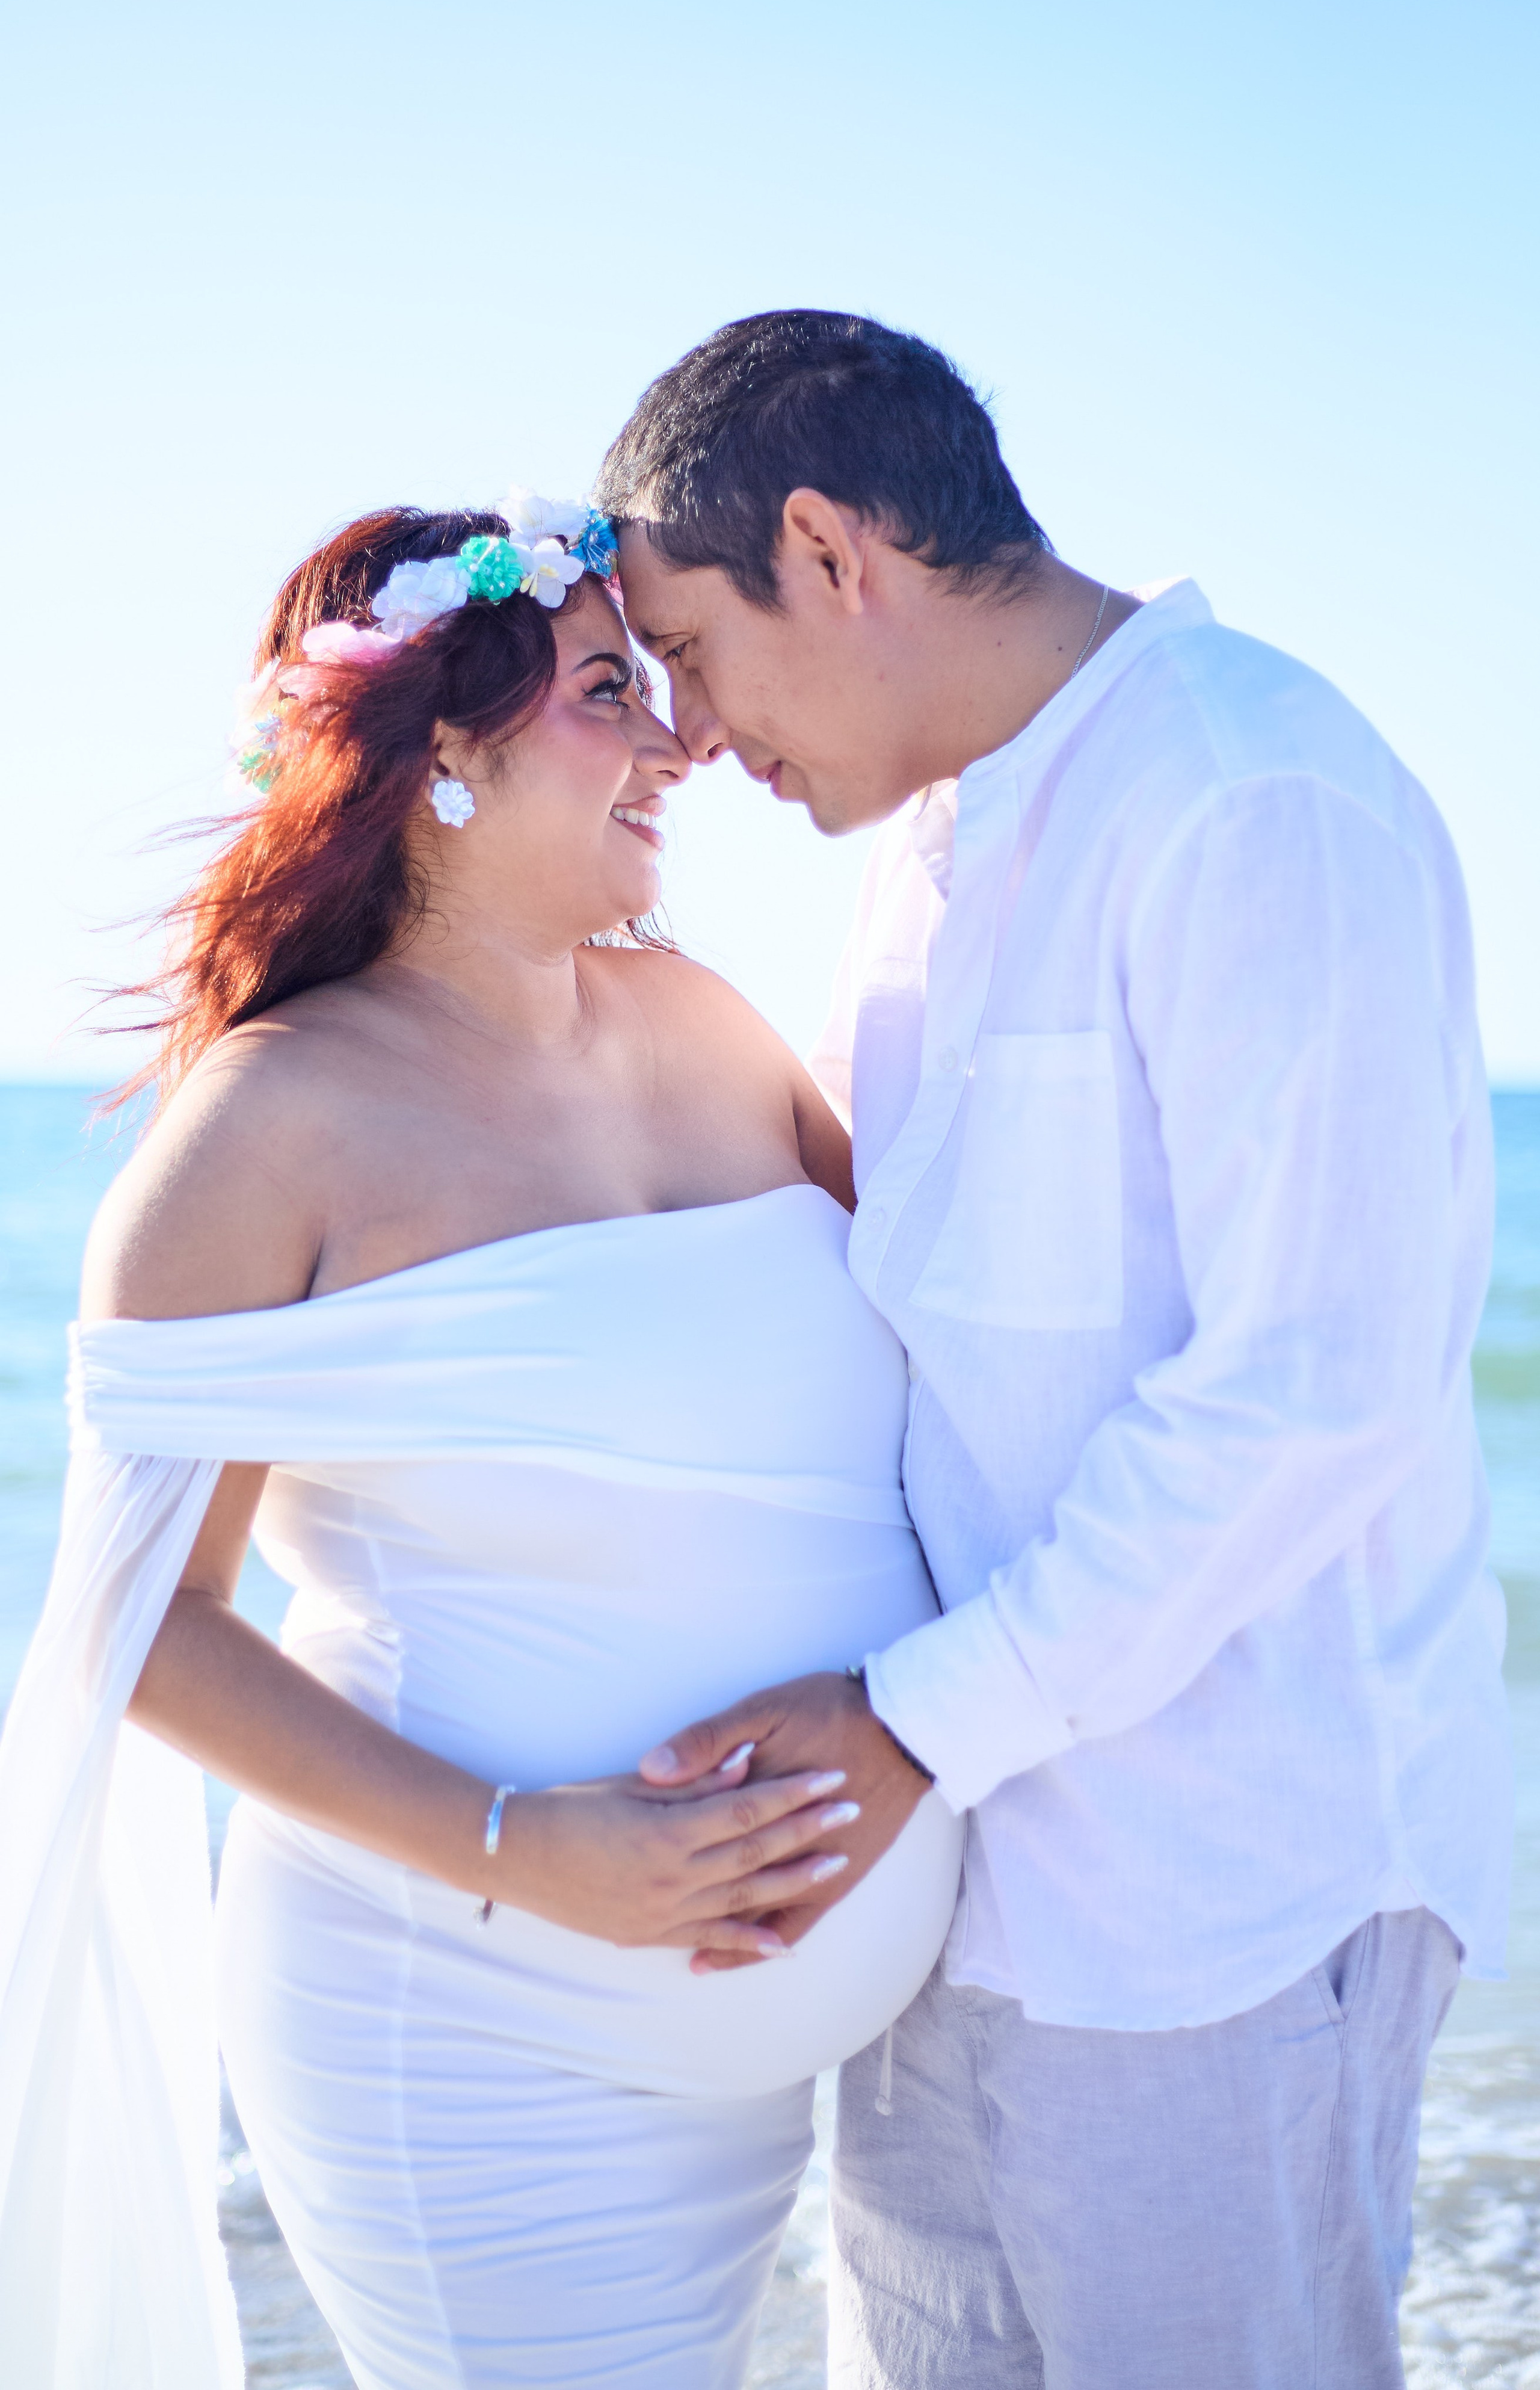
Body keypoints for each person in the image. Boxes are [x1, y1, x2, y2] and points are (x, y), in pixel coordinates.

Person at [599, 310, 1514, 2389]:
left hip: (1221, 1910)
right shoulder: (922, 864)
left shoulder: (1254, 792)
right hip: (950, 1892)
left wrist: (907, 1724)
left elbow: (1315, 1388)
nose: (693, 732)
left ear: (827, 550)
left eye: (695, 651)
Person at [0, 493, 962, 2390]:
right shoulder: (265, 1131)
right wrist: (538, 1854)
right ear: (442, 752)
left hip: (766, 2075)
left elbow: (956, 1362)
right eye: (611, 691)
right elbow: (142, 1631)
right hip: (469, 2037)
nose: (680, 741)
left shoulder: (711, 1024)